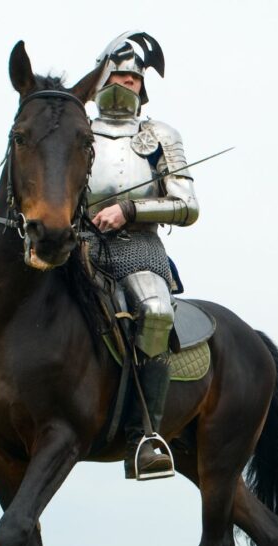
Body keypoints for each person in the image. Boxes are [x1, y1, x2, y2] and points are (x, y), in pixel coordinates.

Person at [84, 31, 199, 480]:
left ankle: (145, 436)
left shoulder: (159, 136)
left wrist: (129, 209)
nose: (126, 85)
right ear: (101, 77)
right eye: (120, 75)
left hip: (138, 246)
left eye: (134, 79)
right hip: (80, 242)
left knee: (154, 311)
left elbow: (187, 203)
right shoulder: (78, 129)